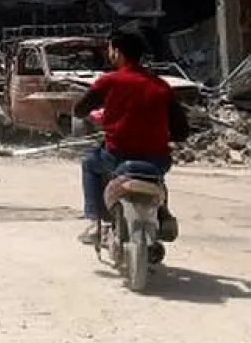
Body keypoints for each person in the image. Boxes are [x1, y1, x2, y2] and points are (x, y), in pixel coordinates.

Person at [72, 29, 190, 244]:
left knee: (89, 163)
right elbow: (182, 132)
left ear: (117, 52)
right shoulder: (161, 87)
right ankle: (163, 213)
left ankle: (95, 221)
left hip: (117, 156)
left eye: (110, 49)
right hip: (157, 158)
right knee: (156, 176)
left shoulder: (108, 82)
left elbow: (79, 110)